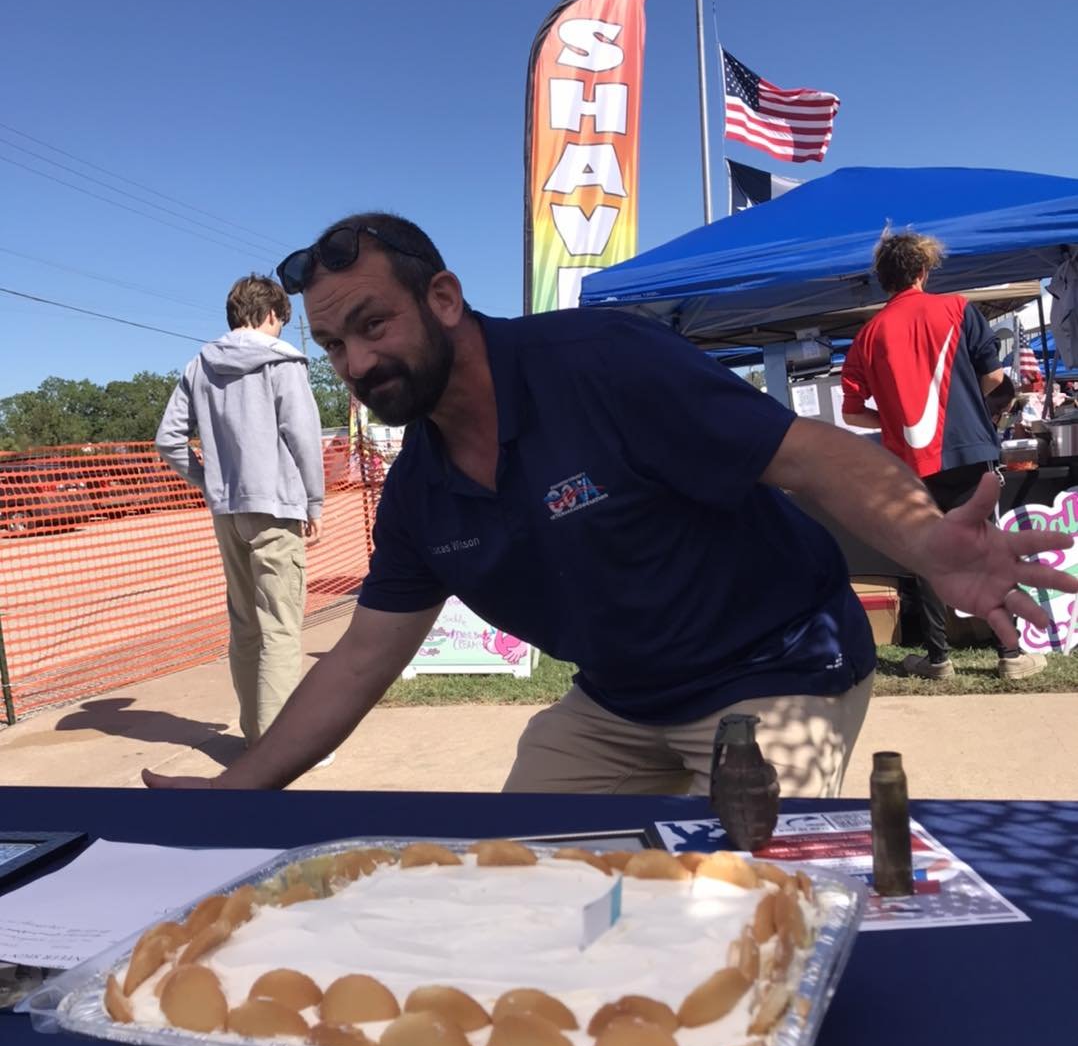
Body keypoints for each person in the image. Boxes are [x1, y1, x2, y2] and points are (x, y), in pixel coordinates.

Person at [143, 214, 1074, 796]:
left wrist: (928, 543)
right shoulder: (420, 492)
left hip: (777, 664)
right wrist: (238, 789)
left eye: (373, 324)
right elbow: (357, 661)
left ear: (444, 299)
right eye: (333, 345)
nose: (355, 362)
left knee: (742, 905)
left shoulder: (601, 363)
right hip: (619, 700)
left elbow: (812, 456)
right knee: (524, 884)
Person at [841, 230, 1044, 681]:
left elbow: (851, 413)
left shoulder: (868, 335)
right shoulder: (958, 309)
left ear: (883, 278)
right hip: (970, 451)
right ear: (923, 270)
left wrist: (892, 423)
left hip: (910, 464)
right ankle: (1010, 655)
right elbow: (994, 380)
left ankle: (939, 660)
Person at [155, 273, 331, 755]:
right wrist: (314, 501)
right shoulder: (284, 362)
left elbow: (168, 439)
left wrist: (209, 480)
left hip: (227, 510)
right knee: (280, 626)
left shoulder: (199, 365)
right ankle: (280, 749)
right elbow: (302, 435)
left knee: (246, 626)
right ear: (272, 313)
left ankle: (256, 735)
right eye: (280, 321)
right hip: (276, 507)